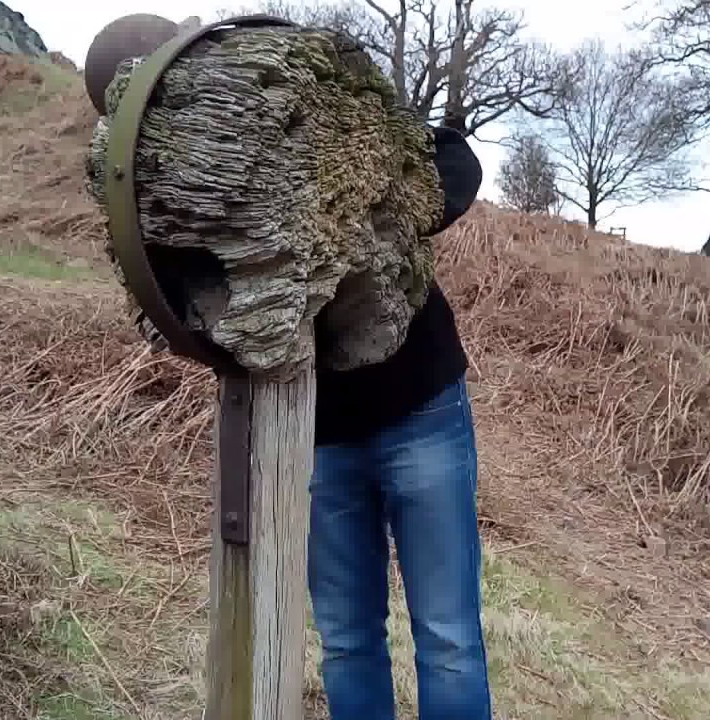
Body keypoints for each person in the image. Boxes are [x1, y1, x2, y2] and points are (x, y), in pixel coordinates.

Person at [136, 126, 490, 720]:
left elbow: (455, 161)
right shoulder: (199, 164)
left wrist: (382, 223)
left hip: (421, 406)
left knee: (448, 638)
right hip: (319, 434)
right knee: (346, 640)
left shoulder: (321, 119)